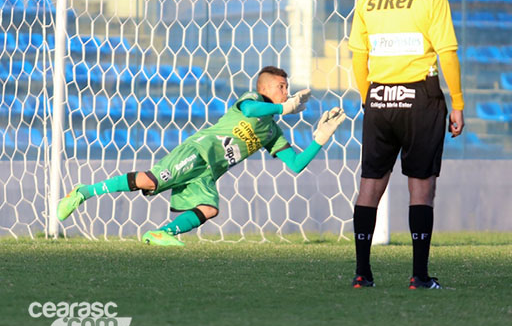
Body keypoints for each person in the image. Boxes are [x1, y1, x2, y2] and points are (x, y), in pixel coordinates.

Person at [57, 66, 346, 246]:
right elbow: (249, 112)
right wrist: (283, 108)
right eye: (281, 86)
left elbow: (295, 165)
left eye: (287, 87)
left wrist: (320, 138)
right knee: (150, 180)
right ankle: (83, 192)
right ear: (265, 88)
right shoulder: (253, 100)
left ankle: (161, 233)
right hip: (198, 152)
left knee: (209, 208)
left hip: (209, 173)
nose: (286, 91)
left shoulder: (272, 132)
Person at [348, 0, 464, 289]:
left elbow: (358, 56)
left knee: (370, 185)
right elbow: (447, 53)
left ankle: (362, 273)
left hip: (380, 98)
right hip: (421, 99)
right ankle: (419, 275)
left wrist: (370, 96)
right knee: (421, 189)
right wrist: (457, 104)